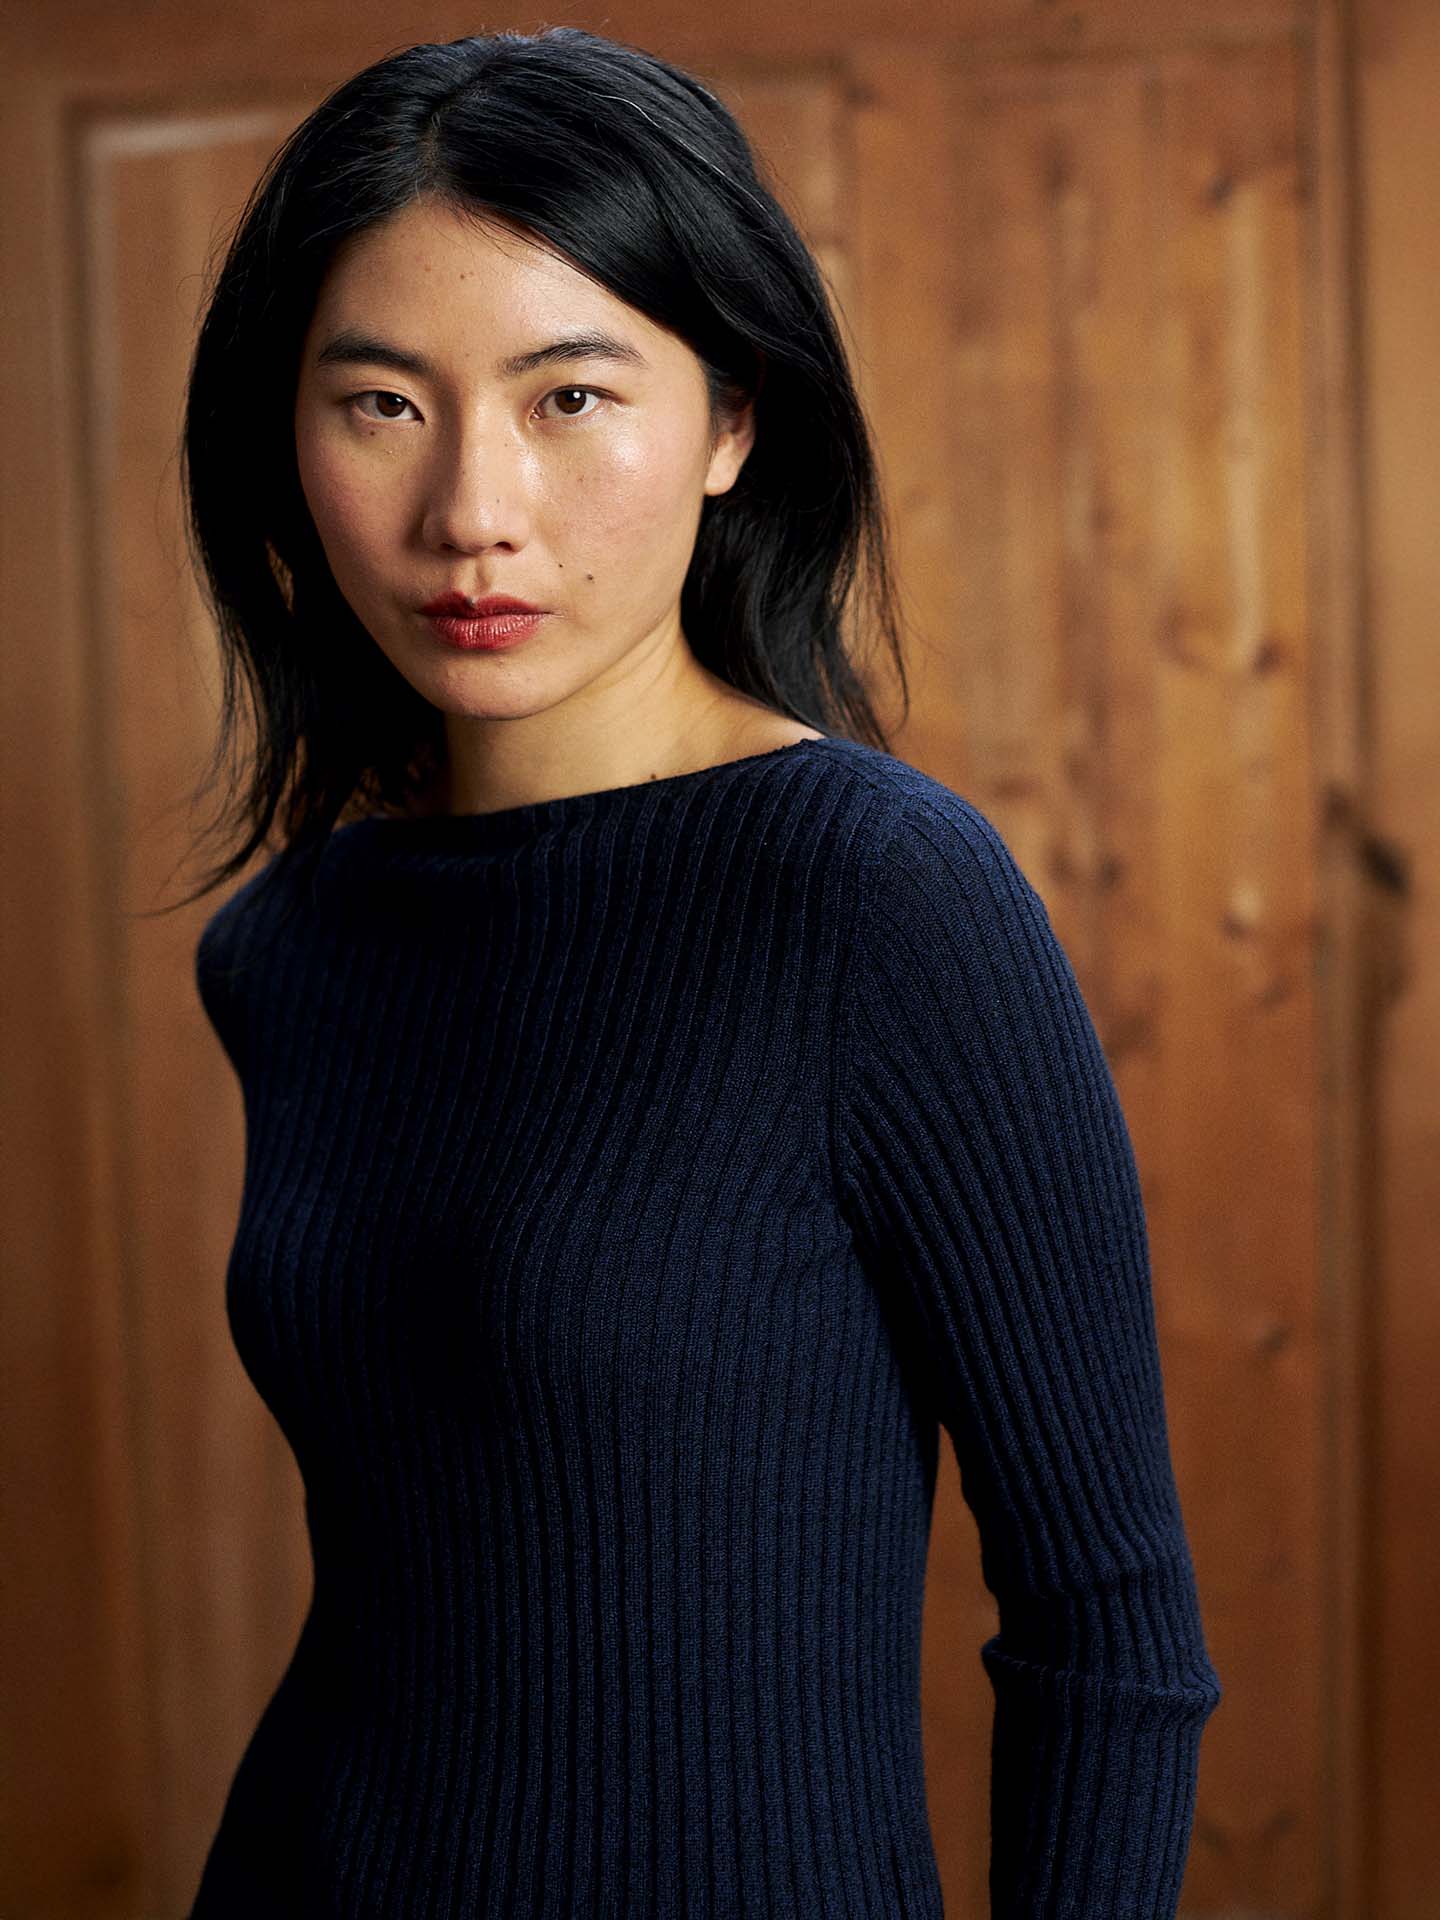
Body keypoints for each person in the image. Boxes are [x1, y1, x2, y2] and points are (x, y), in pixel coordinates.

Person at [179, 25, 1222, 1918]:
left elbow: (1109, 1617)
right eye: (381, 405)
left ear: (733, 422)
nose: (471, 510)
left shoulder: (876, 899)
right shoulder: (292, 947)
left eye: (570, 398)